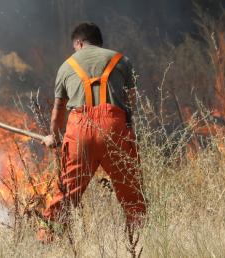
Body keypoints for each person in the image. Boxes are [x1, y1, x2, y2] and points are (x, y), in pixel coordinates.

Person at [39, 22, 146, 241]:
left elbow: (58, 109)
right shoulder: (121, 61)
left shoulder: (66, 66)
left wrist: (55, 137)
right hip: (115, 128)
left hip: (79, 133)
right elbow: (131, 101)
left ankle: (46, 239)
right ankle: (139, 241)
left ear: (78, 43)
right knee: (132, 192)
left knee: (67, 192)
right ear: (99, 43)